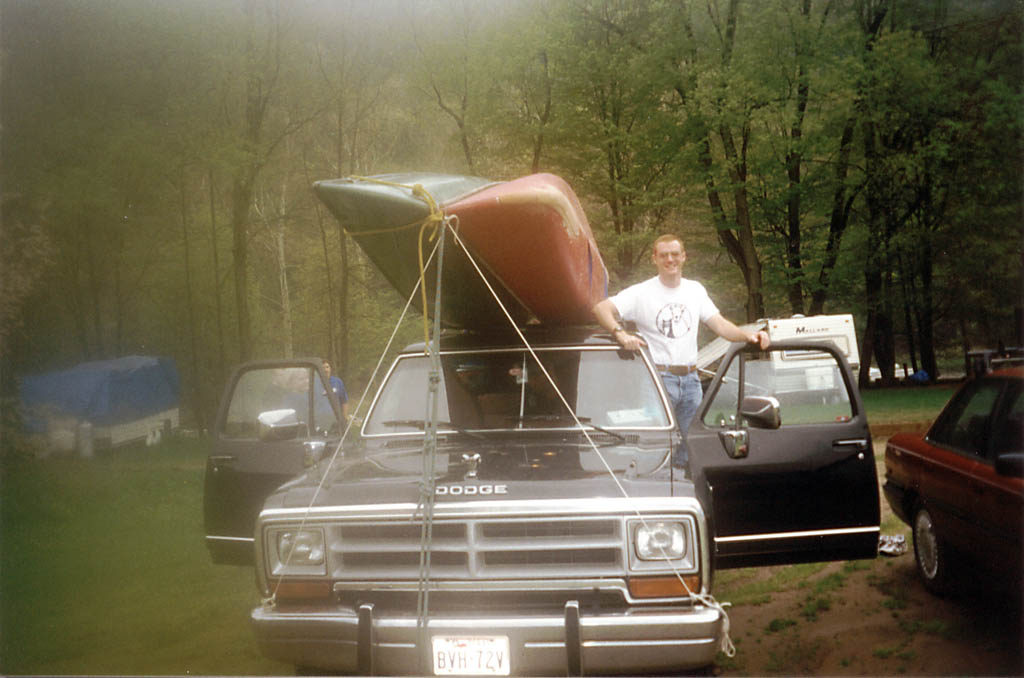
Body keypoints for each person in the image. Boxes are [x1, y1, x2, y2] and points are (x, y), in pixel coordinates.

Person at [592, 233, 770, 469]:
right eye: (663, 255)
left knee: (691, 446)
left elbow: (720, 325)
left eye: (675, 254)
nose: (670, 260)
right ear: (654, 259)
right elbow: (601, 308)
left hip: (691, 381)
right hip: (657, 381)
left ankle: (686, 492)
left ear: (684, 257)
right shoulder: (641, 292)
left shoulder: (695, 290)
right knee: (655, 446)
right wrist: (620, 333)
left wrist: (749, 336)